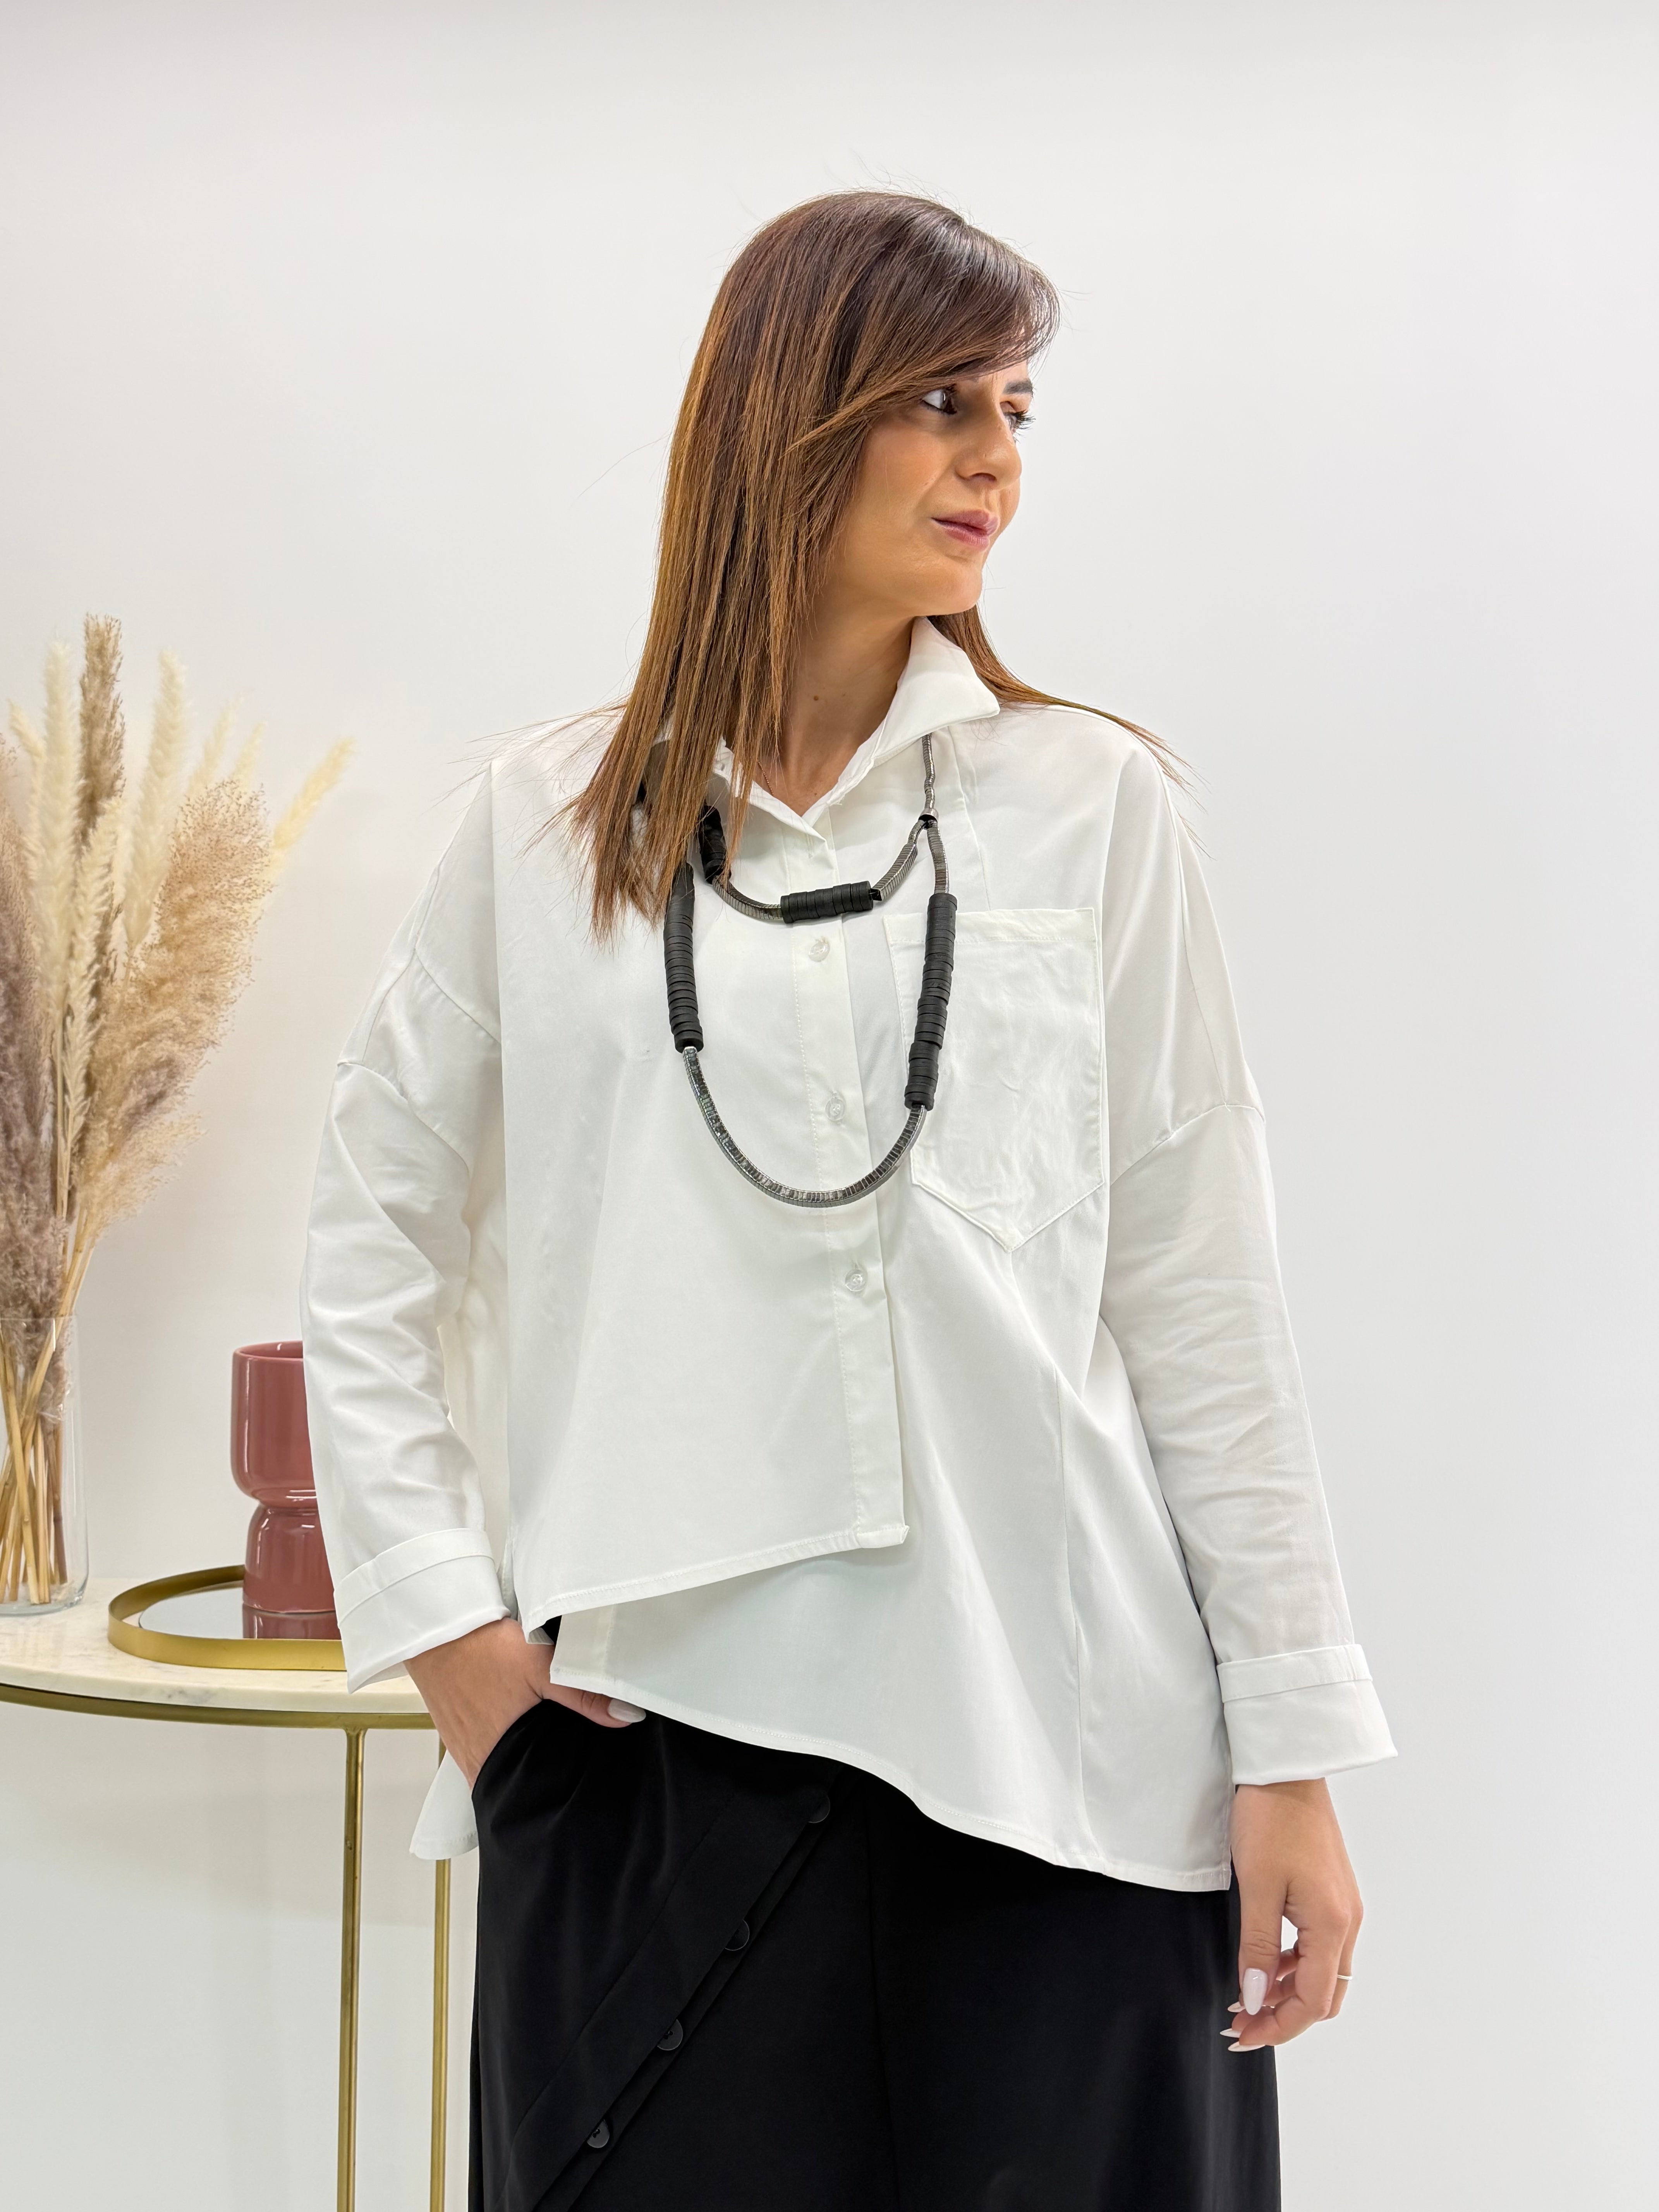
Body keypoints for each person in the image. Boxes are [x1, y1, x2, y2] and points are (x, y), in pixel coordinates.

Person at [299, 190, 1395, 2212]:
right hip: (650, 1767)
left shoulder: (1094, 808)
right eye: (941, 401)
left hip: (1067, 1773)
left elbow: (1202, 1292)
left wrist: (1289, 1749)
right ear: (788, 417)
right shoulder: (541, 831)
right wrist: (457, 1648)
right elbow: (369, 1244)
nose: (996, 460)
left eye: (1017, 408)